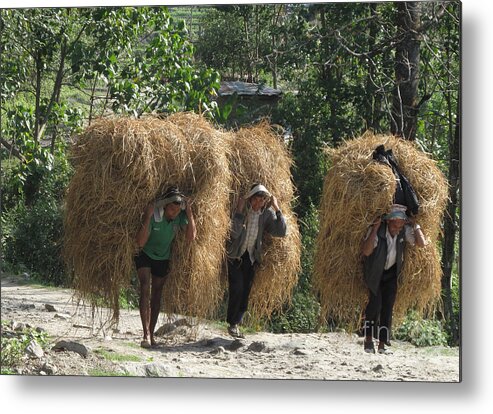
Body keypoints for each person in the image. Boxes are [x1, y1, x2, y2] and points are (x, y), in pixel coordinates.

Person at [134, 186, 196, 348]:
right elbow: (140, 243)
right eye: (171, 209)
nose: (174, 212)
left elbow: (191, 238)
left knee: (157, 294)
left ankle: (152, 333)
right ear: (164, 206)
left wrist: (189, 213)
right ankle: (145, 334)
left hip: (163, 258)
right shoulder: (155, 216)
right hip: (144, 254)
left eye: (177, 209)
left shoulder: (179, 218)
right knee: (145, 287)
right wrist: (147, 217)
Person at [360, 204, 426, 354]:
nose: (398, 228)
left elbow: (421, 244)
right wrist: (375, 229)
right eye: (396, 224)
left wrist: (415, 225)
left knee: (388, 307)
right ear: (388, 221)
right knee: (374, 306)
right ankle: (368, 339)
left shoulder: (404, 232)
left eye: (401, 224)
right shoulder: (378, 232)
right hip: (375, 273)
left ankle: (382, 344)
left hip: (391, 274)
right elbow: (367, 251)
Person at [225, 183, 288, 338]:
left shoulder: (266, 215)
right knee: (237, 287)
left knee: (246, 292)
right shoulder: (242, 211)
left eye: (262, 200)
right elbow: (234, 234)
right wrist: (239, 212)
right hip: (235, 255)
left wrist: (277, 208)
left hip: (251, 258)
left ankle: (236, 324)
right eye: (256, 199)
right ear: (250, 199)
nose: (258, 203)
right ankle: (231, 323)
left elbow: (281, 232)